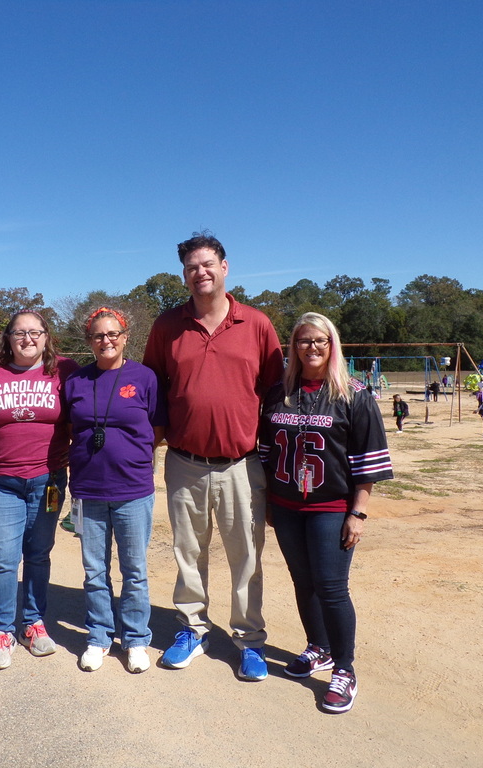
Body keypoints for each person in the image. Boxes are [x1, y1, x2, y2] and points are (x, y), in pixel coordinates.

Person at [142, 231, 284, 682]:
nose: (199, 272)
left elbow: (276, 393)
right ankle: (192, 629)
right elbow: (152, 391)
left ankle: (248, 640)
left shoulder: (256, 324)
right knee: (188, 553)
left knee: (247, 558)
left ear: (225, 267)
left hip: (242, 465)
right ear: (184, 276)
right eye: (190, 267)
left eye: (207, 264)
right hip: (184, 463)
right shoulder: (168, 326)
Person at [259, 312, 392, 714]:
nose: (312, 348)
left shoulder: (353, 394)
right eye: (304, 341)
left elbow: (366, 460)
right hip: (285, 505)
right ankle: (319, 648)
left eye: (320, 340)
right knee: (303, 581)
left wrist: (359, 512)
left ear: (332, 345)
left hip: (331, 506)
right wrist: (268, 501)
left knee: (332, 587)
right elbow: (266, 452)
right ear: (293, 347)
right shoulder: (278, 392)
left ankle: (345, 669)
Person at [0, 311, 78, 670]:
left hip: (49, 481)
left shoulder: (65, 371)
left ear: (46, 337)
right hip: (2, 483)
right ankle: (2, 631)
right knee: (4, 557)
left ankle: (33, 623)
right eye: (19, 333)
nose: (28, 339)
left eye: (35, 332)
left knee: (39, 553)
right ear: (8, 338)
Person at [63, 307, 166, 673]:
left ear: (125, 337)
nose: (106, 341)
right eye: (97, 335)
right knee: (94, 571)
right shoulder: (76, 380)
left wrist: (134, 458)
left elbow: (156, 428)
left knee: (134, 570)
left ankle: (136, 640)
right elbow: (68, 428)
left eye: (113, 334)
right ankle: (99, 636)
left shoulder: (144, 377)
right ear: (89, 340)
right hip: (88, 490)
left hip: (133, 490)